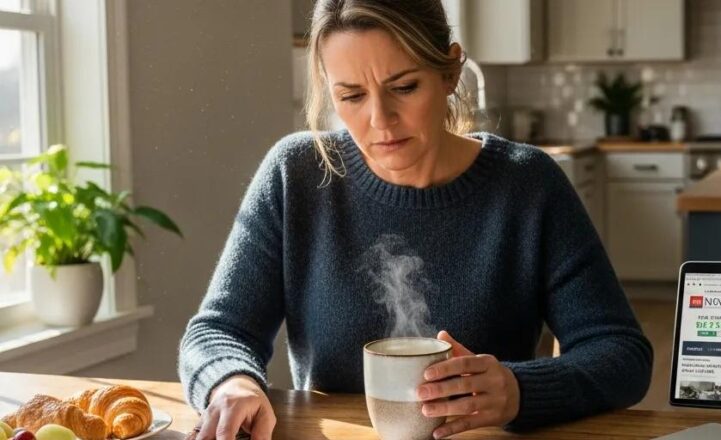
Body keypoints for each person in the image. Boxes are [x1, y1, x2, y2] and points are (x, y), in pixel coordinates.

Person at [178, 1, 653, 439]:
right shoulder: (296, 174)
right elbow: (217, 332)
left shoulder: (528, 185)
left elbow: (622, 353)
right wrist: (231, 382)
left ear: (450, 71)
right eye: (351, 95)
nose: (380, 120)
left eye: (404, 87)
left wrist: (519, 390)